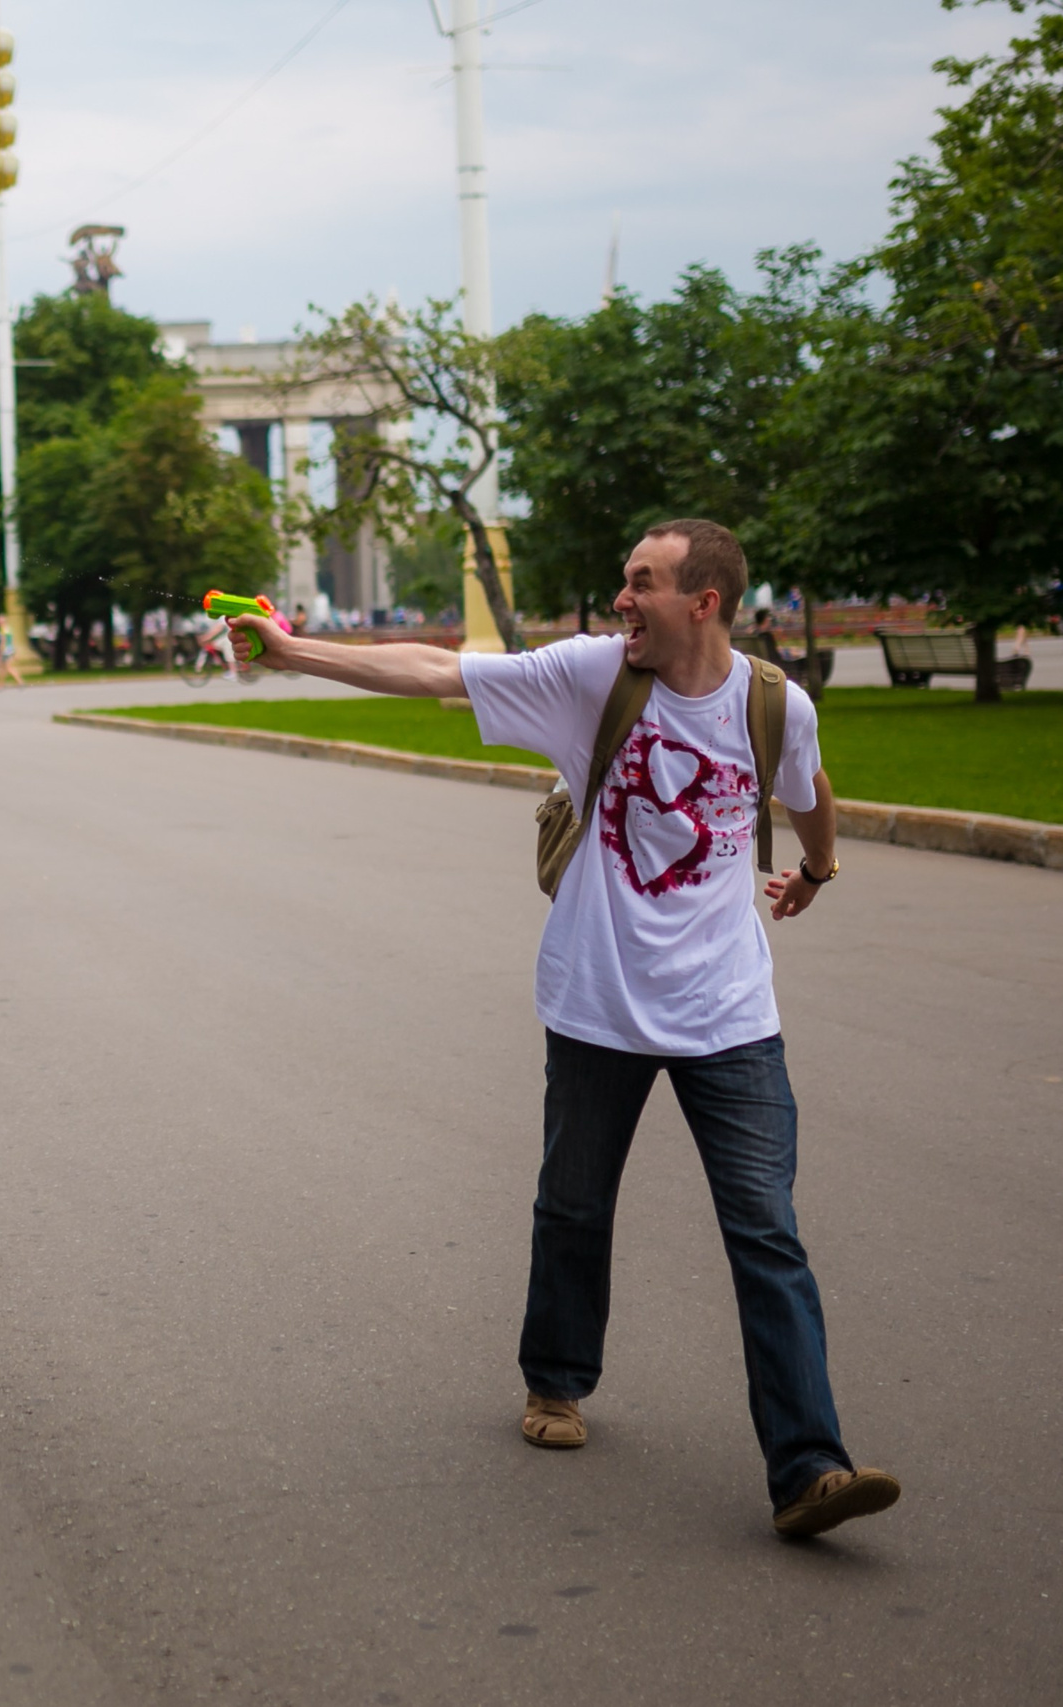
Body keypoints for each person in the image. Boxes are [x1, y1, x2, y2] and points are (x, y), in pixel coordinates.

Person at [229, 517, 901, 1541]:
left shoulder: (773, 702)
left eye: (641, 584)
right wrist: (294, 652)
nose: (621, 599)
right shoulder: (593, 676)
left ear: (703, 602)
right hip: (597, 1002)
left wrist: (816, 870)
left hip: (729, 1013)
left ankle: (809, 1468)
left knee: (767, 1233)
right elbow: (434, 670)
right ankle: (555, 1378)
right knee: (575, 1206)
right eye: (624, 580)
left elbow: (808, 791)